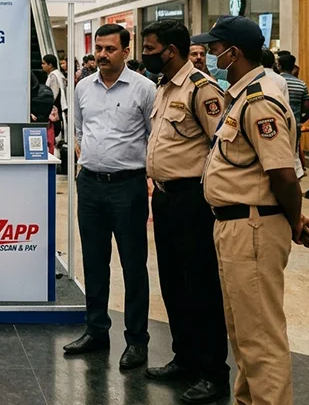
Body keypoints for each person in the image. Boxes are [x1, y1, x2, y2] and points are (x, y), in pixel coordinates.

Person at [191, 16, 309, 404]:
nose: (212, 55)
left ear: (235, 53)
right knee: (244, 332)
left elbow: (283, 174)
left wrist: (295, 219)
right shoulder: (242, 95)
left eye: (216, 49)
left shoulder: (259, 101)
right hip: (235, 225)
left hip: (252, 227)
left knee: (260, 337)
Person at [141, 20, 230, 403]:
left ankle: (213, 371)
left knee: (201, 286)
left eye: (150, 48)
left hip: (193, 199)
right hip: (163, 198)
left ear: (171, 51)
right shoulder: (164, 88)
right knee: (173, 282)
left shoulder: (201, 90)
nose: (144, 54)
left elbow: (222, 146)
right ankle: (185, 357)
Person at [65, 24, 155, 369]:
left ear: (125, 51)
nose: (101, 55)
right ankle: (96, 330)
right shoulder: (83, 87)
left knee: (133, 266)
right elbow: (77, 129)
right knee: (94, 261)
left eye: (110, 49)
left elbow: (153, 136)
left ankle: (137, 341)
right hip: (89, 186)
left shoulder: (144, 89)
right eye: (99, 49)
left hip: (127, 187)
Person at [278, 53, 309, 123]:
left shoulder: (275, 82)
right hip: (295, 123)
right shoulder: (301, 84)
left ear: (279, 67)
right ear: (293, 67)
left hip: (279, 123)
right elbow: (306, 107)